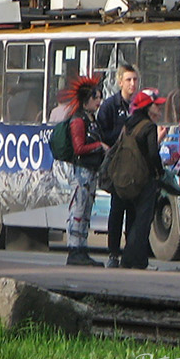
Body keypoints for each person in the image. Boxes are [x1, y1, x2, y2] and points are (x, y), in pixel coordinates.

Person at [95, 63, 140, 267]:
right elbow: (101, 134)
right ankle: (113, 253)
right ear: (120, 81)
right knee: (117, 210)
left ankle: (130, 253)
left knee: (134, 211)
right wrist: (120, 134)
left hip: (136, 166)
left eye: (135, 80)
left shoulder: (140, 105)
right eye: (128, 80)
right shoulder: (110, 106)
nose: (132, 84)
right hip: (117, 166)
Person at [118, 87, 167, 270]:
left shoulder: (129, 124)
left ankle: (129, 259)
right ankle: (135, 260)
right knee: (143, 220)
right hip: (145, 178)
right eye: (156, 106)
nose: (159, 109)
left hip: (128, 178)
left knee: (131, 218)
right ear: (147, 107)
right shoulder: (149, 126)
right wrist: (160, 172)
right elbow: (153, 154)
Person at [60, 77, 108, 266]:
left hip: (91, 171)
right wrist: (99, 146)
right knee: (78, 210)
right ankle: (74, 250)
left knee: (86, 211)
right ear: (86, 100)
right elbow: (79, 148)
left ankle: (82, 248)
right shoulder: (78, 121)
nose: (98, 102)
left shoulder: (91, 119)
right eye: (96, 98)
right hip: (81, 172)